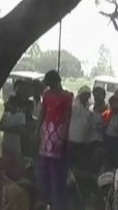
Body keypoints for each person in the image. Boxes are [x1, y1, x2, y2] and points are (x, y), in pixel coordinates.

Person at [38, 70, 73, 210]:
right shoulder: (46, 95)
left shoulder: (66, 96)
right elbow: (42, 112)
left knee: (56, 171)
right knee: (44, 169)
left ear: (56, 81)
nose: (49, 87)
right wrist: (38, 129)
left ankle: (57, 203)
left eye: (51, 83)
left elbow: (67, 117)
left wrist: (63, 136)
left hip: (59, 132)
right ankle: (45, 200)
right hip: (47, 132)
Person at [103, 95, 118, 169]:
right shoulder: (107, 113)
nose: (113, 105)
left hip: (117, 138)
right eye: (111, 103)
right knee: (108, 155)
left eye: (115, 103)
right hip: (108, 136)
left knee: (117, 157)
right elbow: (103, 123)